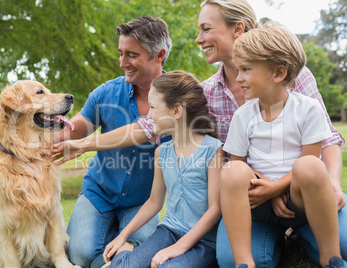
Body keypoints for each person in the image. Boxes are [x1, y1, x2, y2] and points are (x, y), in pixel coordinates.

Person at [52, 0, 347, 266]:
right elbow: (153, 127)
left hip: (302, 188)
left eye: (206, 28)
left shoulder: (296, 78)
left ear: (238, 29)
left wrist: (331, 183)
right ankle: (281, 238)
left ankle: (312, 239)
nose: (198, 39)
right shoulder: (206, 92)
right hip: (251, 198)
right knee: (237, 258)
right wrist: (83, 143)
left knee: (343, 245)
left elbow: (328, 139)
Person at [50, 16, 172, 268]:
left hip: (143, 201)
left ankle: (120, 247)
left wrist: (84, 145)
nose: (122, 63)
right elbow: (76, 129)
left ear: (159, 55)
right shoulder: (106, 92)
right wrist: (35, 133)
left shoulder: (176, 98)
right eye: (120, 53)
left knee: (137, 254)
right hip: (99, 193)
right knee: (81, 254)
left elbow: (141, 129)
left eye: (131, 55)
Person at [220, 22, 345, 268]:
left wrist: (277, 188)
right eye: (238, 69)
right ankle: (244, 263)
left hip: (300, 198)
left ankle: (331, 258)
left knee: (310, 165)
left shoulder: (308, 109)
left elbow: (309, 161)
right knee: (231, 171)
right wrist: (268, 190)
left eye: (245, 69)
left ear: (279, 73)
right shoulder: (243, 116)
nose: (238, 78)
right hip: (258, 199)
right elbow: (237, 163)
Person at [102, 71, 224, 268]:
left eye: (153, 107)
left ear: (176, 111)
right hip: (168, 231)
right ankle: (128, 249)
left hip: (205, 241)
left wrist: (178, 248)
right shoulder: (162, 152)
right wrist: (122, 236)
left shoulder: (212, 150)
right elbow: (154, 202)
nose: (148, 115)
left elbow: (215, 209)